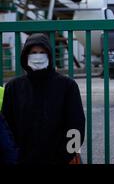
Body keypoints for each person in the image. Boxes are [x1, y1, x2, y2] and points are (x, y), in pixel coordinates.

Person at [1, 33, 85, 164]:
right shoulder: (13, 87)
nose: (38, 56)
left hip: (60, 159)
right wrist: (14, 156)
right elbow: (7, 126)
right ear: (25, 55)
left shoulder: (67, 86)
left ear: (50, 56)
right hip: (24, 159)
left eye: (42, 52)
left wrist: (71, 153)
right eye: (33, 52)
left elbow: (76, 123)